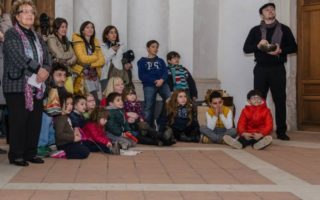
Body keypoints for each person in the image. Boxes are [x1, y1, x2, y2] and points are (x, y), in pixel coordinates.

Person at [3, 0, 51, 166]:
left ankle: (31, 152)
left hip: (37, 85)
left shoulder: (37, 36)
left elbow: (47, 57)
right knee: (19, 121)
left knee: (34, 121)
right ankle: (16, 154)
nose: (29, 15)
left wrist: (45, 70)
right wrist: (39, 69)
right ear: (17, 16)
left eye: (31, 12)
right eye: (25, 11)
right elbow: (17, 57)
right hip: (17, 85)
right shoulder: (11, 34)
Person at [243, 3, 297, 140]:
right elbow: (246, 48)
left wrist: (281, 50)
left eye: (272, 9)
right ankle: (257, 129)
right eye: (267, 10)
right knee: (257, 100)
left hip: (277, 68)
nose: (270, 11)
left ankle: (281, 131)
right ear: (262, 14)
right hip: (260, 69)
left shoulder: (284, 29)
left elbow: (294, 47)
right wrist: (257, 45)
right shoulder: (255, 30)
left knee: (280, 100)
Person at [137, 40, 171, 133]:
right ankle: (147, 128)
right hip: (149, 85)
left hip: (162, 83)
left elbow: (165, 72)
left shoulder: (161, 61)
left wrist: (162, 80)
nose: (155, 49)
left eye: (156, 47)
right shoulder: (142, 61)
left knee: (170, 100)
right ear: (148, 48)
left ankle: (160, 122)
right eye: (153, 46)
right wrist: (154, 81)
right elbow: (142, 76)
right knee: (148, 106)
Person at [37, 62, 68, 157]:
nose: (62, 79)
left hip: (52, 116)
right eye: (59, 75)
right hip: (40, 115)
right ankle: (40, 146)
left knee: (55, 117)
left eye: (64, 75)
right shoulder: (44, 87)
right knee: (46, 117)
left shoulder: (62, 90)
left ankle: (51, 143)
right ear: (51, 75)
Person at [72, 21, 105, 102]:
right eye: (87, 27)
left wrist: (90, 64)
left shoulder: (95, 41)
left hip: (95, 75)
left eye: (92, 27)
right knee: (89, 100)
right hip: (84, 76)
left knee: (97, 100)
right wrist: (95, 57)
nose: (90, 29)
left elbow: (102, 61)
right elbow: (82, 59)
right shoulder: (78, 40)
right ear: (82, 30)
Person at [54, 93, 90, 159]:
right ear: (60, 104)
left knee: (85, 149)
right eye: (67, 104)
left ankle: (65, 152)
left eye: (71, 104)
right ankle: (62, 154)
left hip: (69, 142)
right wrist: (73, 137)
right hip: (63, 144)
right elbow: (59, 135)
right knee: (85, 152)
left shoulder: (66, 116)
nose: (70, 106)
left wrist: (75, 135)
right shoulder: (61, 118)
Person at [47, 17, 77, 94]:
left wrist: (66, 62)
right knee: (57, 96)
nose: (65, 29)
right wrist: (70, 55)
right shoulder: (51, 38)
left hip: (67, 72)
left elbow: (75, 57)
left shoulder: (66, 40)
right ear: (56, 28)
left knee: (68, 96)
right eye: (62, 27)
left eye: (66, 27)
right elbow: (59, 55)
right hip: (56, 73)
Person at [101, 25, 129, 91]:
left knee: (119, 96)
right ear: (106, 35)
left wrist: (127, 63)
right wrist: (112, 50)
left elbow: (125, 58)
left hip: (119, 75)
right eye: (111, 32)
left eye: (115, 32)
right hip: (106, 75)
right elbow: (103, 61)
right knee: (107, 97)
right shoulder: (102, 47)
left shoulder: (122, 46)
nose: (114, 34)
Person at [0, 4, 12, 154]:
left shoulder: (6, 21)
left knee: (6, 110)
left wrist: (5, 19)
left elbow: (9, 34)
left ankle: (12, 141)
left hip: (5, 72)